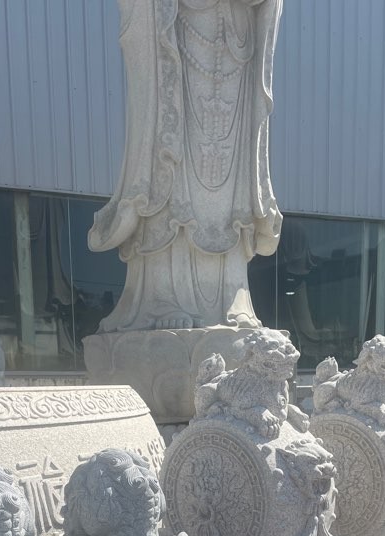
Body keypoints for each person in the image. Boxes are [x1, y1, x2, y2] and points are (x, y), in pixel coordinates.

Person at [89, 0, 282, 333]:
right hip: (177, 29)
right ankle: (164, 296)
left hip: (238, 40)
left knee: (232, 192)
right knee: (171, 170)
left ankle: (231, 297)